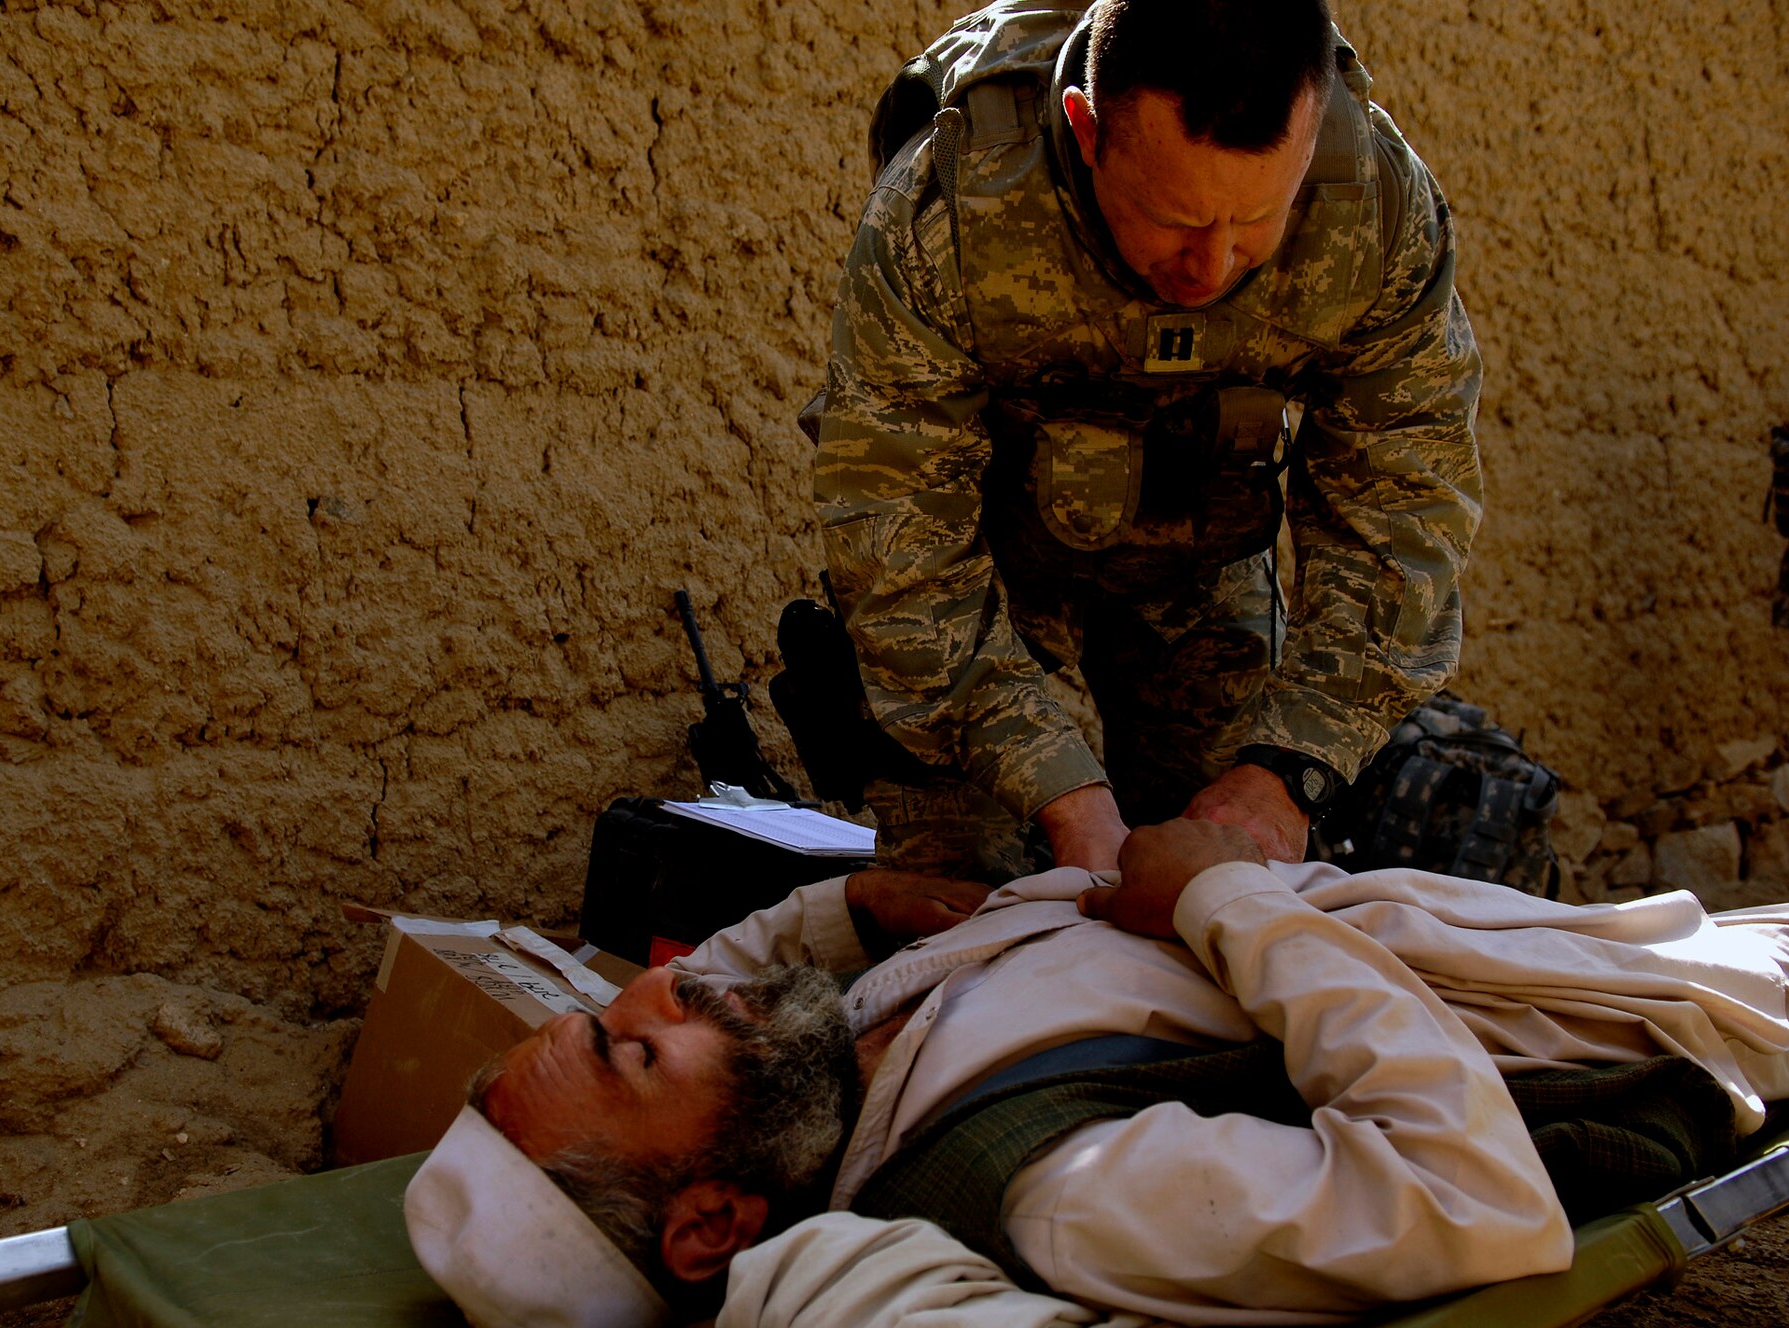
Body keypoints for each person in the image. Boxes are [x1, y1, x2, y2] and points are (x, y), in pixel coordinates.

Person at [405, 823, 1789, 1326]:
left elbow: (725, 966)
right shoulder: (1062, 1191)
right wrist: (1228, 903)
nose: (668, 981)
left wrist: (859, 906)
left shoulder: (801, 1057)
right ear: (712, 1223)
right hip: (1661, 1015)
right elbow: (1468, 1196)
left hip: (1571, 936)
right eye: (636, 1043)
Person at [808, 0, 1484, 879]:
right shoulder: (950, 210)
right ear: (1087, 132)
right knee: (955, 897)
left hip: (1201, 553)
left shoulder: (1379, 213)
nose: (1210, 267)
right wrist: (1061, 794)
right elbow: (897, 538)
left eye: (1253, 226)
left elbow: (1403, 517)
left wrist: (1290, 771)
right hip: (980, 567)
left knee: (1220, 889)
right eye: (1175, 219)